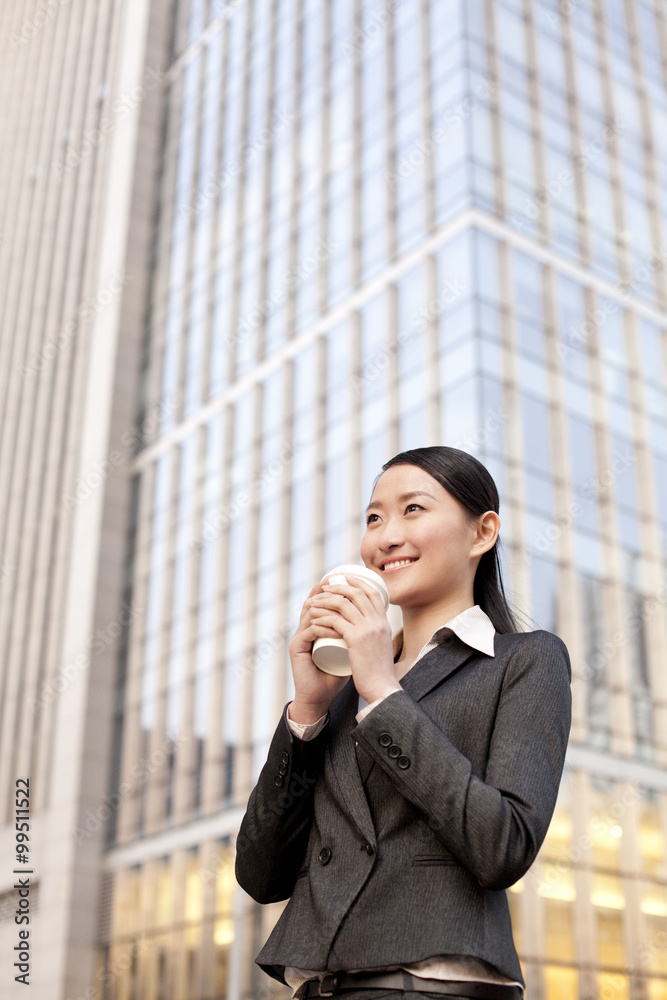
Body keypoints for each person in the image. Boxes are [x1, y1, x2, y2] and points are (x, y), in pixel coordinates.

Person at [235, 446, 572, 1000]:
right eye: (373, 518)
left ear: (482, 532)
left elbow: (503, 846)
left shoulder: (524, 660)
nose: (385, 536)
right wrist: (310, 711)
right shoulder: (342, 694)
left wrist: (384, 694)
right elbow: (260, 873)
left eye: (413, 509)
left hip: (430, 988)